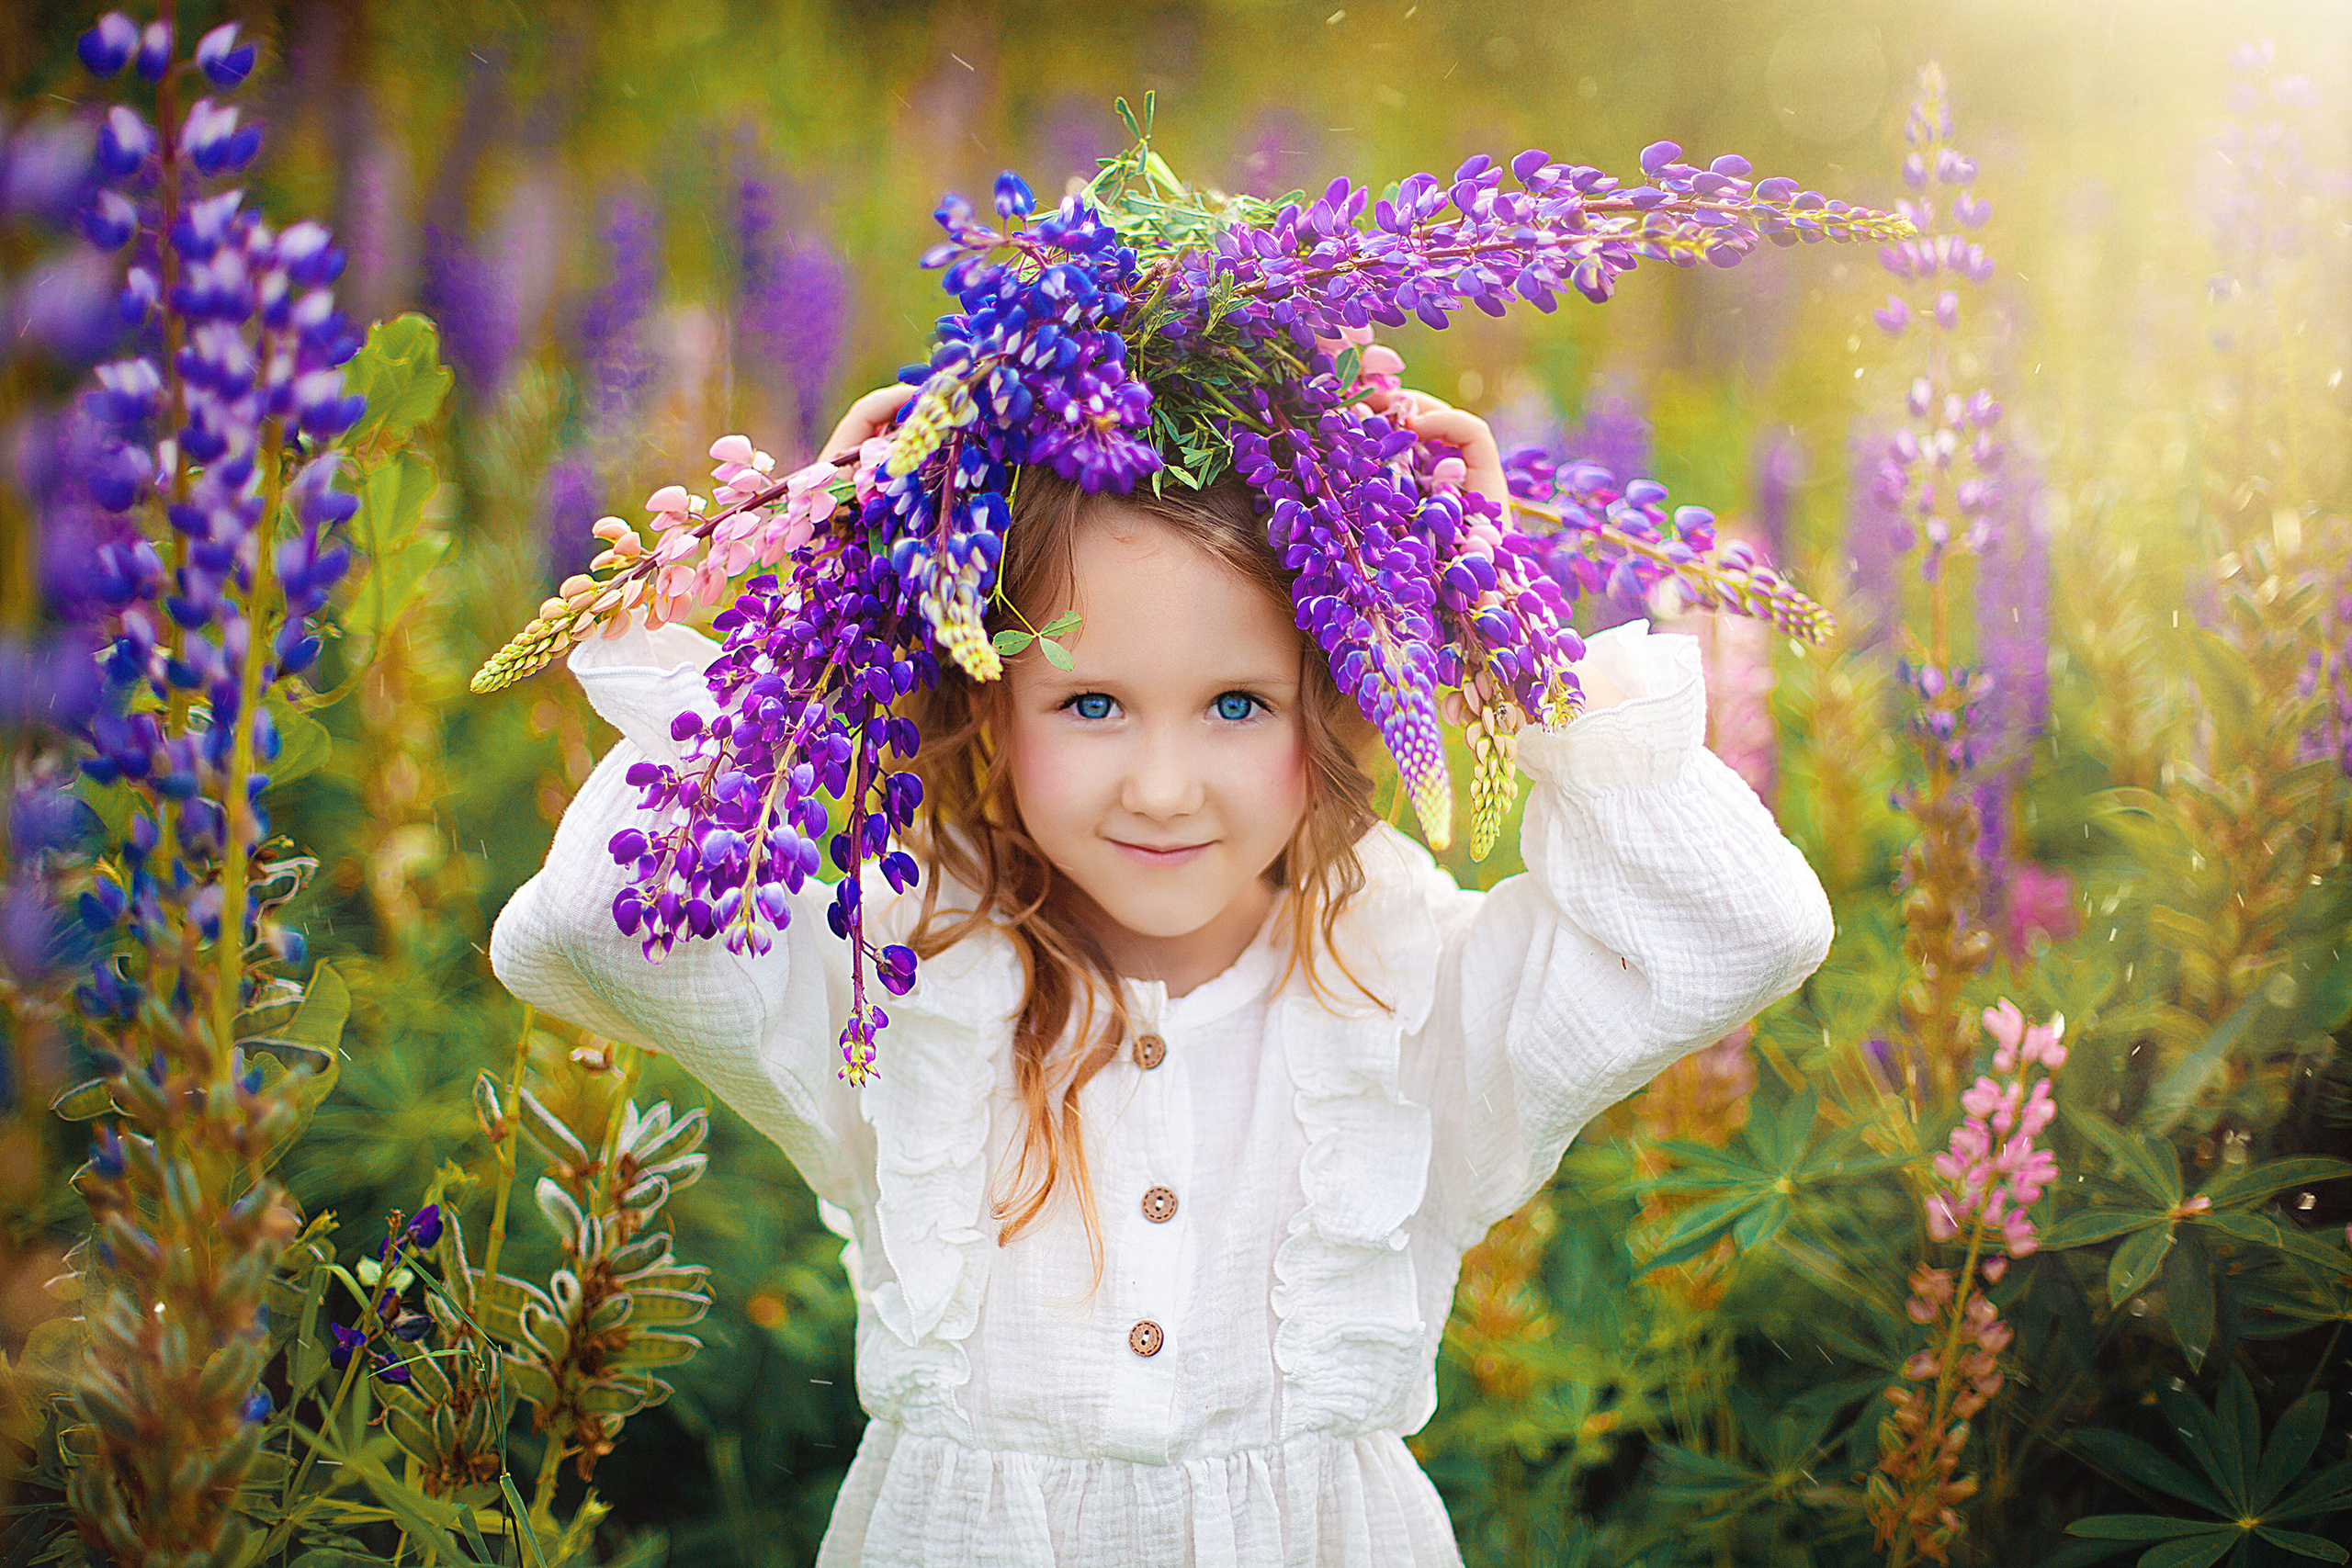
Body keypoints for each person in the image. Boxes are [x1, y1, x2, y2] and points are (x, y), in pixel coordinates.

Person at [490, 377, 1835, 1566]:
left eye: (1238, 704)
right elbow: (598, 933)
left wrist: (1501, 622)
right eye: (1090, 703)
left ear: (1340, 699)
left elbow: (1741, 932)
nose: (1163, 784)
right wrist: (817, 626)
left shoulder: (1406, 997)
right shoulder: (897, 987)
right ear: (984, 708)